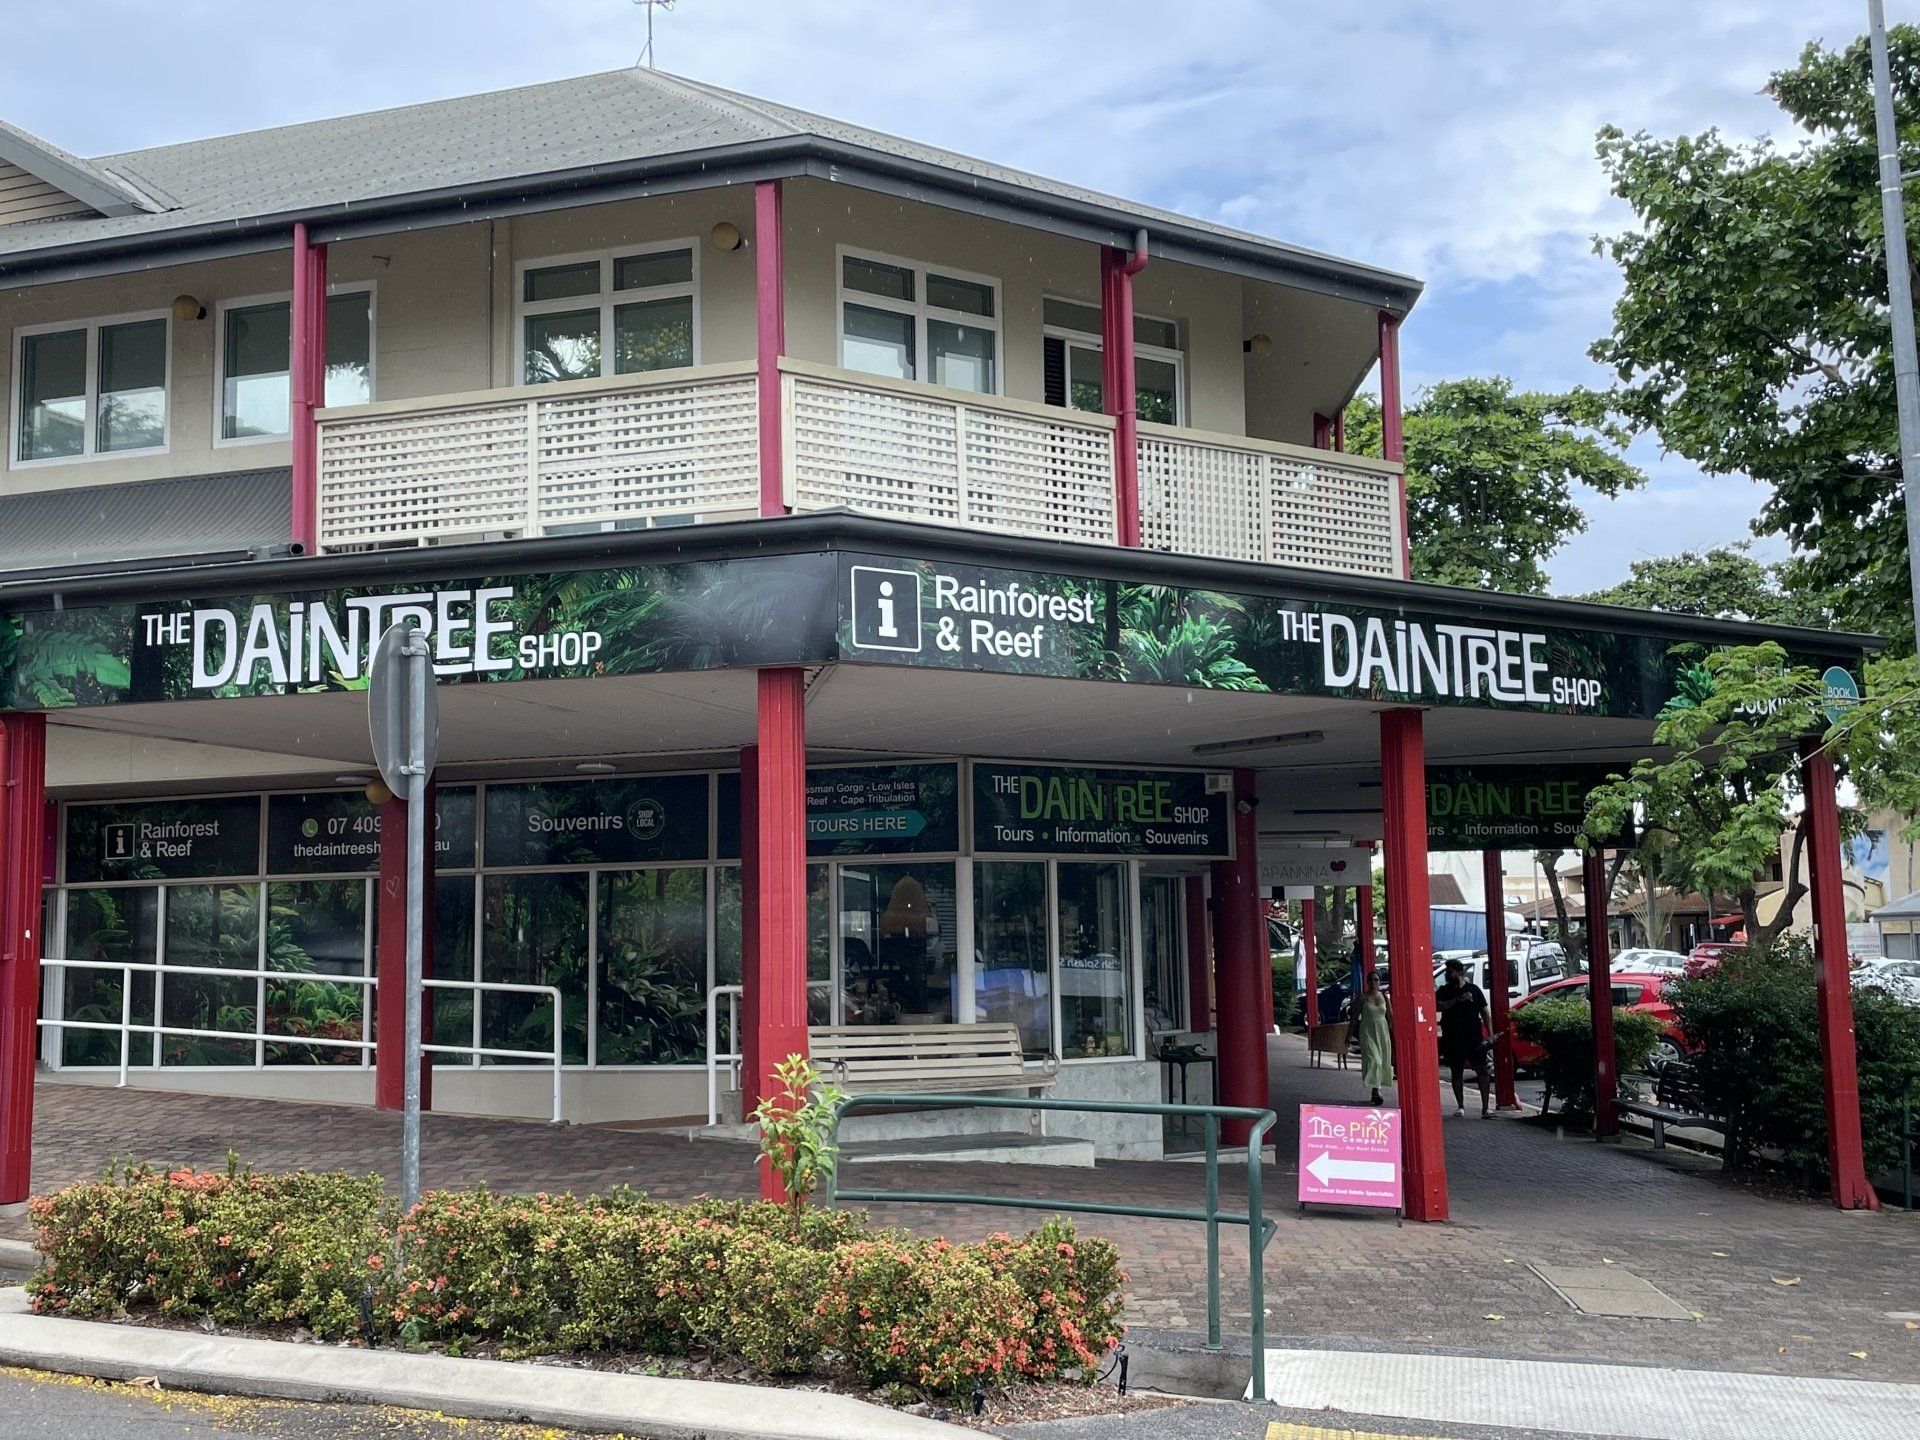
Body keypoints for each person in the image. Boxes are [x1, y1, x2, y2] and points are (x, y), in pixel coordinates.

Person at [1435, 957, 1492, 1118]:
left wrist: (1490, 1034)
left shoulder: (1474, 990)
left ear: (1459, 972)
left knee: (1482, 1069)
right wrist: (1457, 1000)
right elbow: (1438, 1005)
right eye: (1446, 971)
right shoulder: (1444, 990)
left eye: (1450, 972)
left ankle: (1486, 1107)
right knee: (1456, 1071)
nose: (1447, 974)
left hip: (1474, 1037)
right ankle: (1460, 1106)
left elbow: (1485, 1012)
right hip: (1453, 1038)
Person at [1354, 970, 1394, 1107]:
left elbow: (1391, 1017)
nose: (1373, 982)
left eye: (1376, 980)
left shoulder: (1384, 997)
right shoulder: (1362, 998)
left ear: (1380, 981)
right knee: (1374, 1060)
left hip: (1382, 1032)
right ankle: (1377, 1090)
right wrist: (1348, 1036)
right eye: (1370, 980)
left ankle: (1375, 1091)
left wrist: (1394, 1033)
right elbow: (1354, 1018)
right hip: (1367, 1031)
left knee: (1382, 1061)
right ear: (1367, 982)